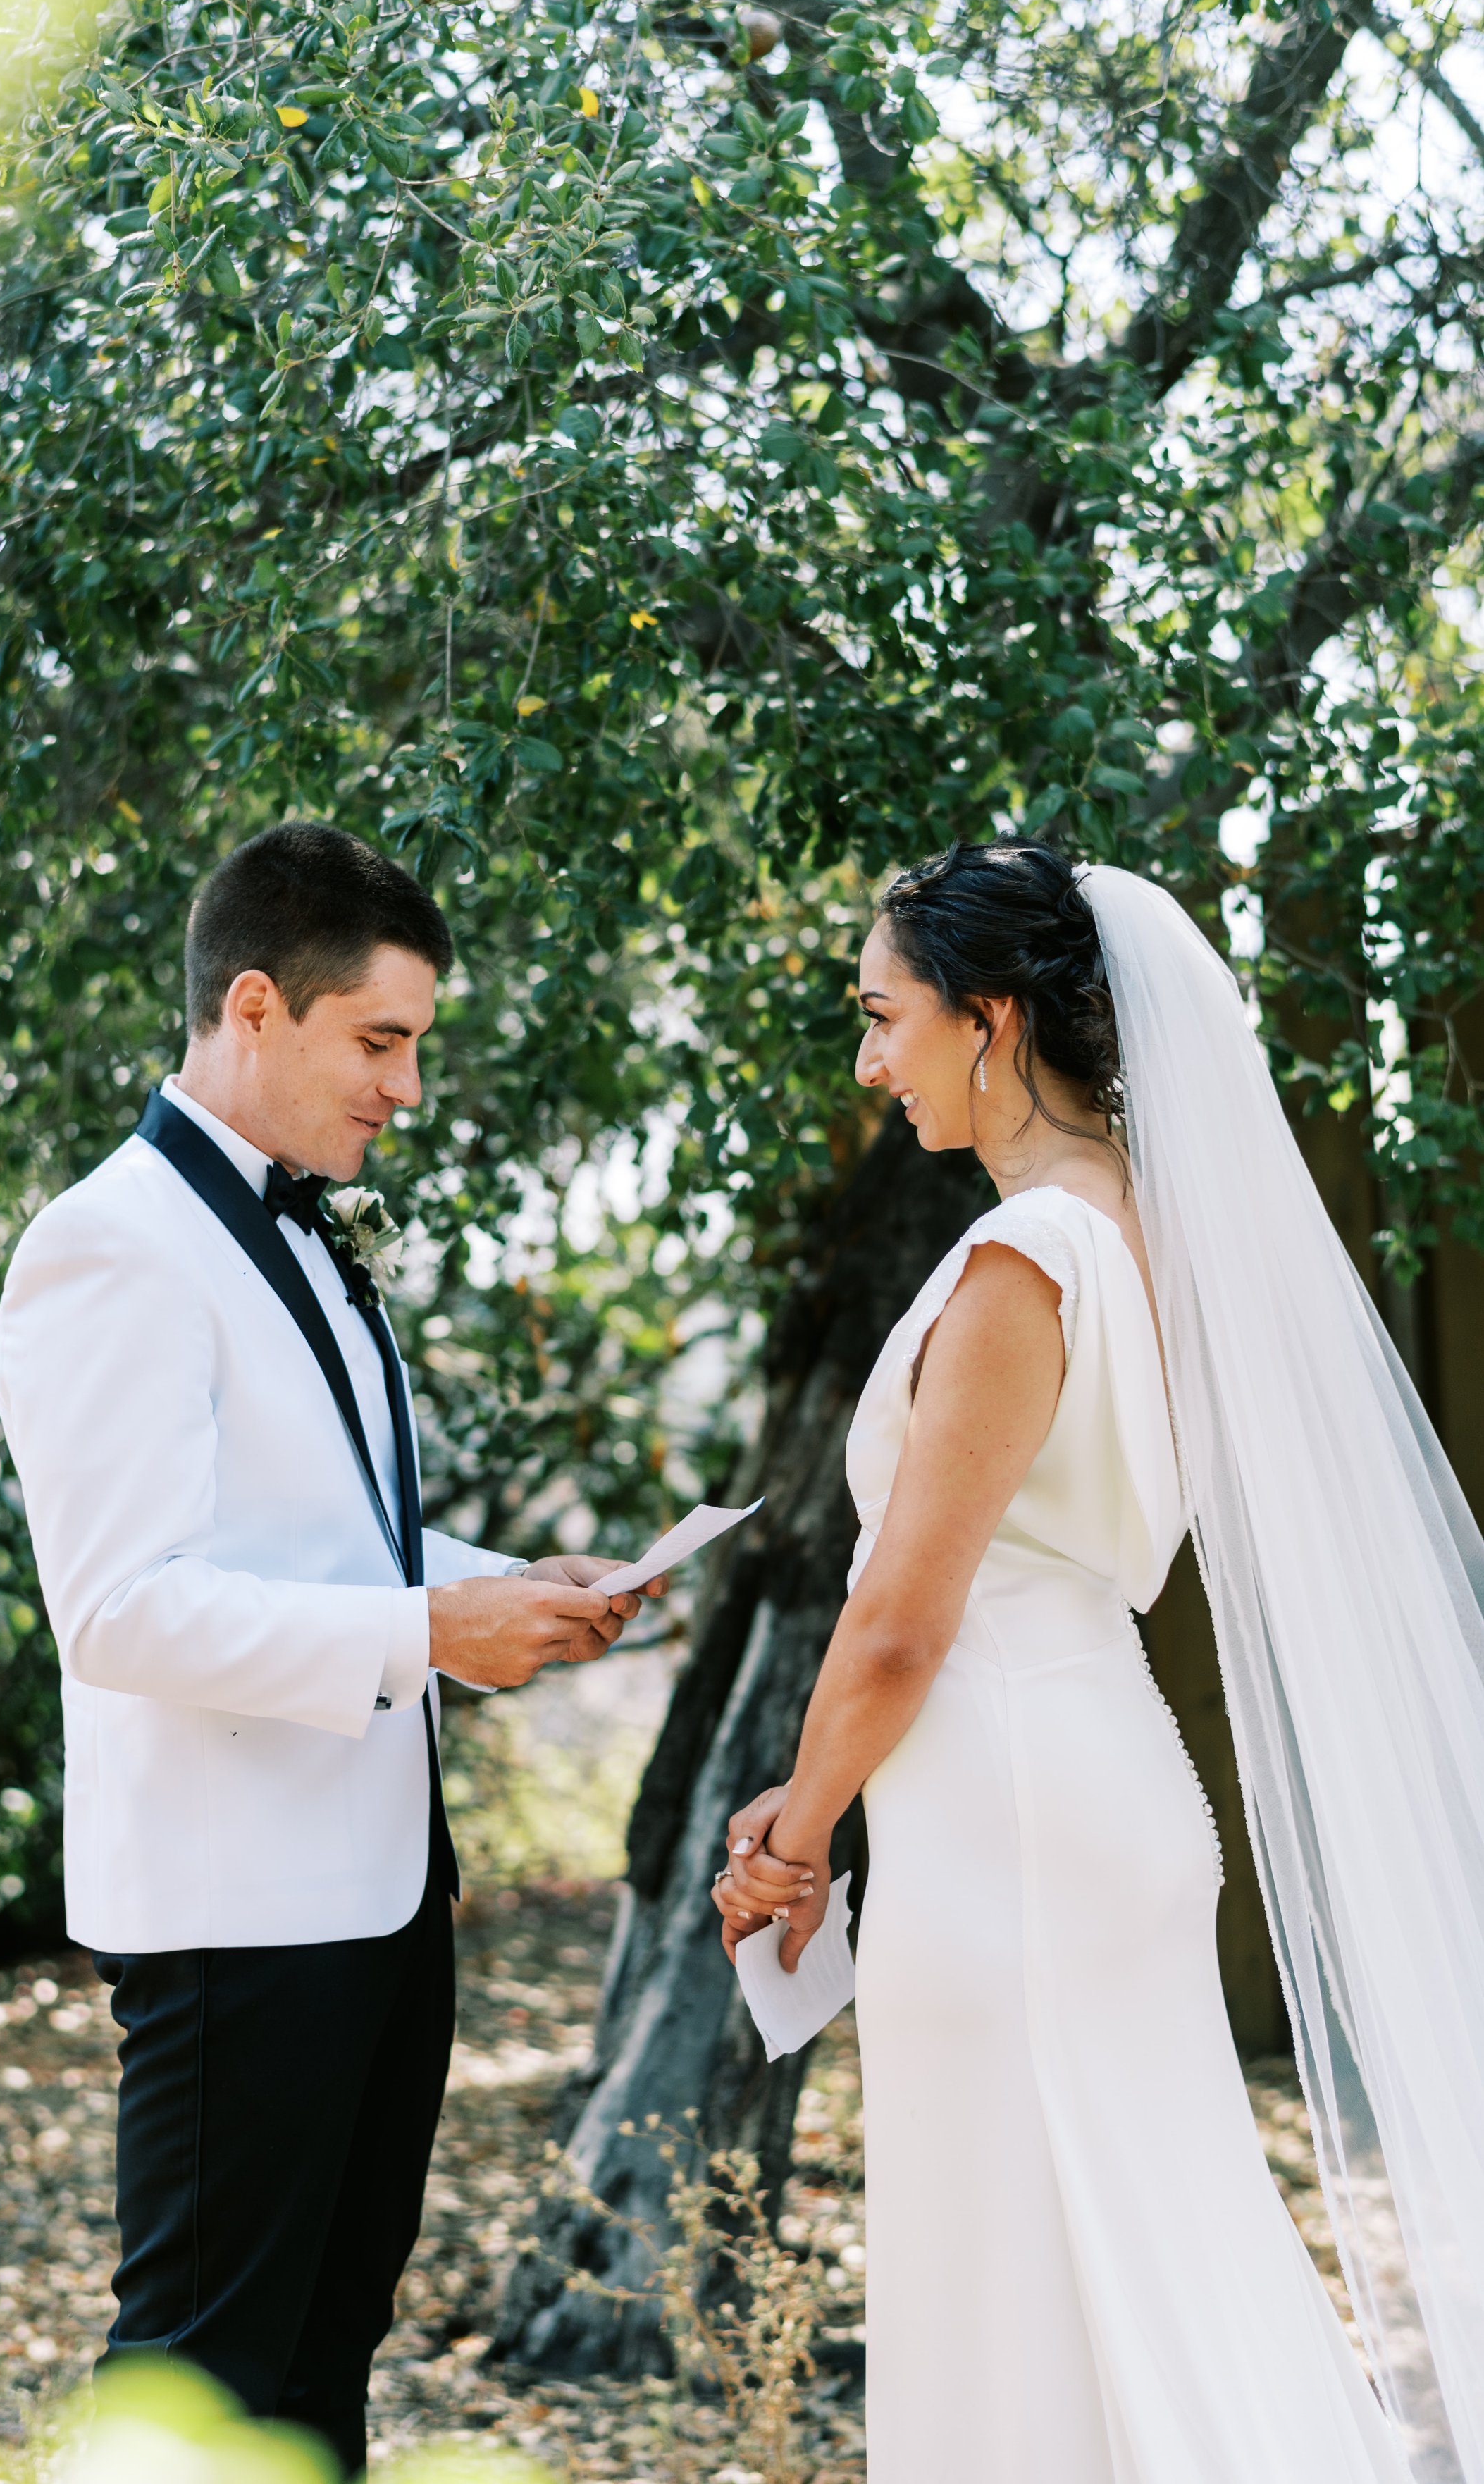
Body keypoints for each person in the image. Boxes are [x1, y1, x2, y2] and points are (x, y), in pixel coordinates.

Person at [715, 843, 1484, 2482]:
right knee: (1151, 2247)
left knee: (1009, 2279)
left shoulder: (1022, 1266)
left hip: (1008, 1820)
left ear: (988, 1021)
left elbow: (901, 1616)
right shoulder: (1149, 1230)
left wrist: (790, 1833)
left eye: (885, 1016)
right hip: (1093, 1781)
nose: (868, 1060)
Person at [0, 822, 657, 2472]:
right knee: (199, 2384)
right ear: (252, 1009)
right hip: (238, 1916)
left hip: (374, 1898)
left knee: (322, 2362)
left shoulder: (291, 1233)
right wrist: (431, 1631)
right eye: (381, 1040)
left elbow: (315, 1543)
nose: (404, 1089)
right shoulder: (111, 1244)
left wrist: (514, 1585)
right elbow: (124, 1604)